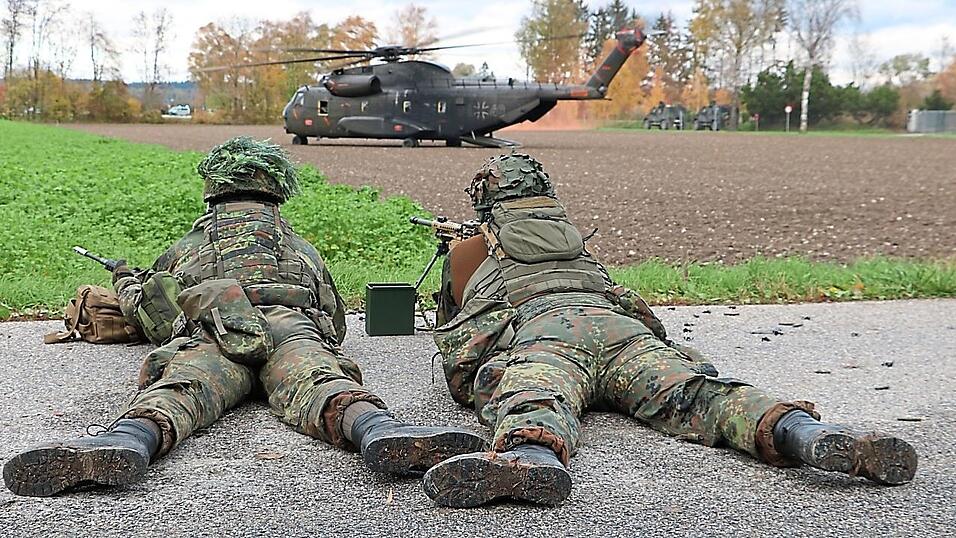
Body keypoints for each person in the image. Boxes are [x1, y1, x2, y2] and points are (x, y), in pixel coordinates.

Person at [421, 152, 918, 508]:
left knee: (533, 397)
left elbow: (465, 354)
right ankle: (805, 432)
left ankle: (531, 458)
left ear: (486, 205)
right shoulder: (575, 244)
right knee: (704, 396)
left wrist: (481, 377)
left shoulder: (473, 250)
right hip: (624, 336)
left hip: (546, 337)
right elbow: (640, 314)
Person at [3, 137, 485, 497]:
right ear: (274, 192)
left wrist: (129, 283)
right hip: (290, 328)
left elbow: (155, 318)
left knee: (180, 389)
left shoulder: (189, 247)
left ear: (214, 192)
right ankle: (381, 430)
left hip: (218, 330)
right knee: (325, 382)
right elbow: (334, 323)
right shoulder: (299, 247)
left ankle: (128, 440)